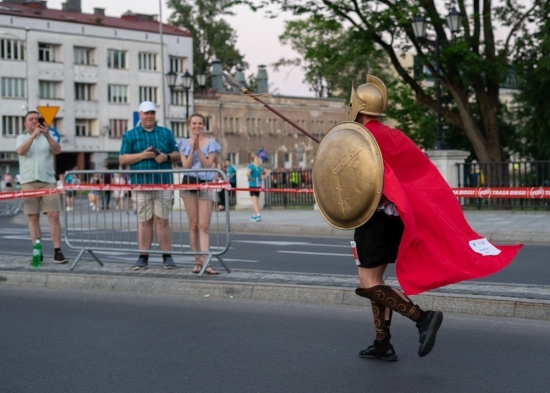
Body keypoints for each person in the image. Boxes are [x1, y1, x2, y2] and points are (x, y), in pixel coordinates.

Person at [342, 75, 522, 361]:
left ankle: (423, 318)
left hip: (373, 220)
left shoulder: (360, 139)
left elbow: (353, 181)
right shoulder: (394, 136)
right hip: (394, 219)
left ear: (358, 106)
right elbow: (413, 172)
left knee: (369, 283)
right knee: (378, 280)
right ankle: (382, 342)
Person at [119, 101, 179, 270]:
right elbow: (122, 159)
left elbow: (177, 154)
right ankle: (142, 256)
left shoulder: (165, 133)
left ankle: (167, 256)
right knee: (145, 221)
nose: (149, 116)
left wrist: (166, 157)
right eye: (146, 113)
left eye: (152, 113)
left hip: (162, 184)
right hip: (141, 185)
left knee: (162, 220)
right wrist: (142, 155)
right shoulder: (130, 135)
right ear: (140, 115)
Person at [15, 110, 68, 264]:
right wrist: (33, 136)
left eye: (37, 119)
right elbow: (21, 151)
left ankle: (58, 251)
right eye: (31, 119)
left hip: (47, 180)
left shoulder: (48, 136)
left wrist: (47, 135)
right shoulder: (21, 137)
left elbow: (57, 150)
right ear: (25, 123)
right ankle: (37, 251)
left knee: (53, 216)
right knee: (33, 217)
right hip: (28, 181)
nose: (34, 121)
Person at [179, 113, 221, 275]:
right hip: (189, 184)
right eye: (194, 123)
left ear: (204, 125)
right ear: (189, 125)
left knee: (204, 226)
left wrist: (199, 150)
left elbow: (207, 164)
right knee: (194, 225)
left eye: (200, 123)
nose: (197, 126)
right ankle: (197, 261)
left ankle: (207, 262)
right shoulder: (183, 143)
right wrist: (191, 150)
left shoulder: (211, 143)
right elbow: (186, 165)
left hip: (206, 185)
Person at [247, 152, 268, 222]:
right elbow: (267, 172)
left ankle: (258, 215)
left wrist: (249, 178)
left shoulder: (251, 166)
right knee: (256, 201)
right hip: (258, 186)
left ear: (251, 159)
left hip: (252, 186)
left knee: (254, 202)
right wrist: (263, 177)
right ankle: (255, 214)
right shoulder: (259, 167)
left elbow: (247, 173)